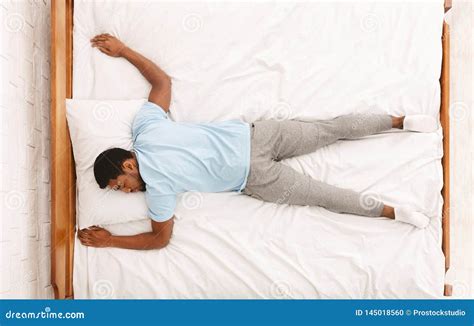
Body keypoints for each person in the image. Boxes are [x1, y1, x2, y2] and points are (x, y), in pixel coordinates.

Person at [78, 33, 438, 250]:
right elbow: (159, 240)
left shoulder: (145, 131)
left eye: (119, 185)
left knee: (331, 129)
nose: (125, 192)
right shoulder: (156, 188)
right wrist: (110, 240)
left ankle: (399, 121)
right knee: (326, 196)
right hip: (256, 179)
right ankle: (393, 212)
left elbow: (162, 82)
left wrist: (125, 50)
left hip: (259, 137)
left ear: (127, 164)